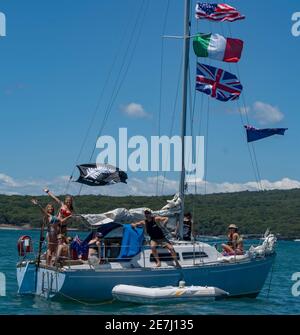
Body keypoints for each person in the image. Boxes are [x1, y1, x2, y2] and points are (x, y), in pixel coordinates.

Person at [31, 199, 61, 266]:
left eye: (52, 207)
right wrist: (38, 205)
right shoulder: (47, 216)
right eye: (49, 207)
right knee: (50, 249)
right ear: (47, 209)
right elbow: (42, 210)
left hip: (55, 234)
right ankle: (47, 264)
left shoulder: (54, 216)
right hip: (50, 233)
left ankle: (51, 263)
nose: (51, 208)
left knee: (55, 249)